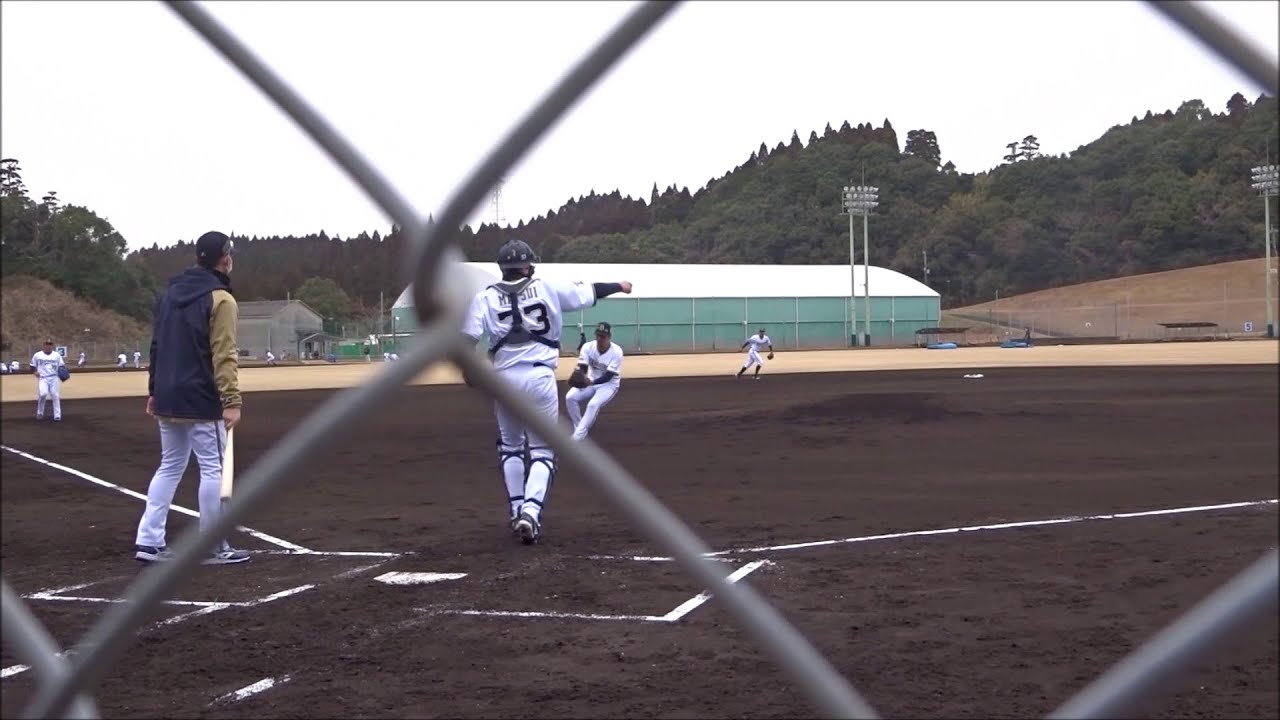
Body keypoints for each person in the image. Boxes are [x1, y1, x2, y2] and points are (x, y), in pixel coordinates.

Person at [461, 239, 632, 545]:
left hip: (503, 379)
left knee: (510, 447)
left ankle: (516, 509)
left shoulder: (484, 297)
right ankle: (530, 512)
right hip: (539, 377)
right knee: (542, 450)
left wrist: (469, 370)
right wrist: (619, 285)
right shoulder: (546, 287)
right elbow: (590, 292)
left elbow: (466, 340)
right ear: (528, 266)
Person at [134, 231, 249, 565]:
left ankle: (149, 541)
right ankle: (212, 544)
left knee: (170, 466)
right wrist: (232, 400)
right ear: (225, 258)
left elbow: (156, 345)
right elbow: (224, 353)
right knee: (213, 469)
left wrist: (154, 390)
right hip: (201, 396)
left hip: (168, 393)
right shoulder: (221, 299)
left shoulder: (169, 294)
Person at [565, 322, 624, 441]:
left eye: (603, 336)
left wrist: (590, 382)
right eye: (598, 335)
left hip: (608, 385)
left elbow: (608, 376)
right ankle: (579, 427)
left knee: (593, 404)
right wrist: (580, 375)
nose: (600, 339)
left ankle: (577, 437)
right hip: (590, 380)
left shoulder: (617, 351)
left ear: (609, 337)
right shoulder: (588, 347)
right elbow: (583, 367)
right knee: (570, 397)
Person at [30, 338, 66, 421]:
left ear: (52, 346)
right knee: (43, 394)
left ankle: (57, 415)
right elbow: (32, 366)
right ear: (44, 345)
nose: (48, 346)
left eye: (50, 344)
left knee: (55, 395)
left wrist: (62, 372)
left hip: (54, 377)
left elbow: (61, 365)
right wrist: (35, 372)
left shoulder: (56, 355)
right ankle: (40, 412)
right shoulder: (37, 355)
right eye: (47, 344)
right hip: (43, 378)